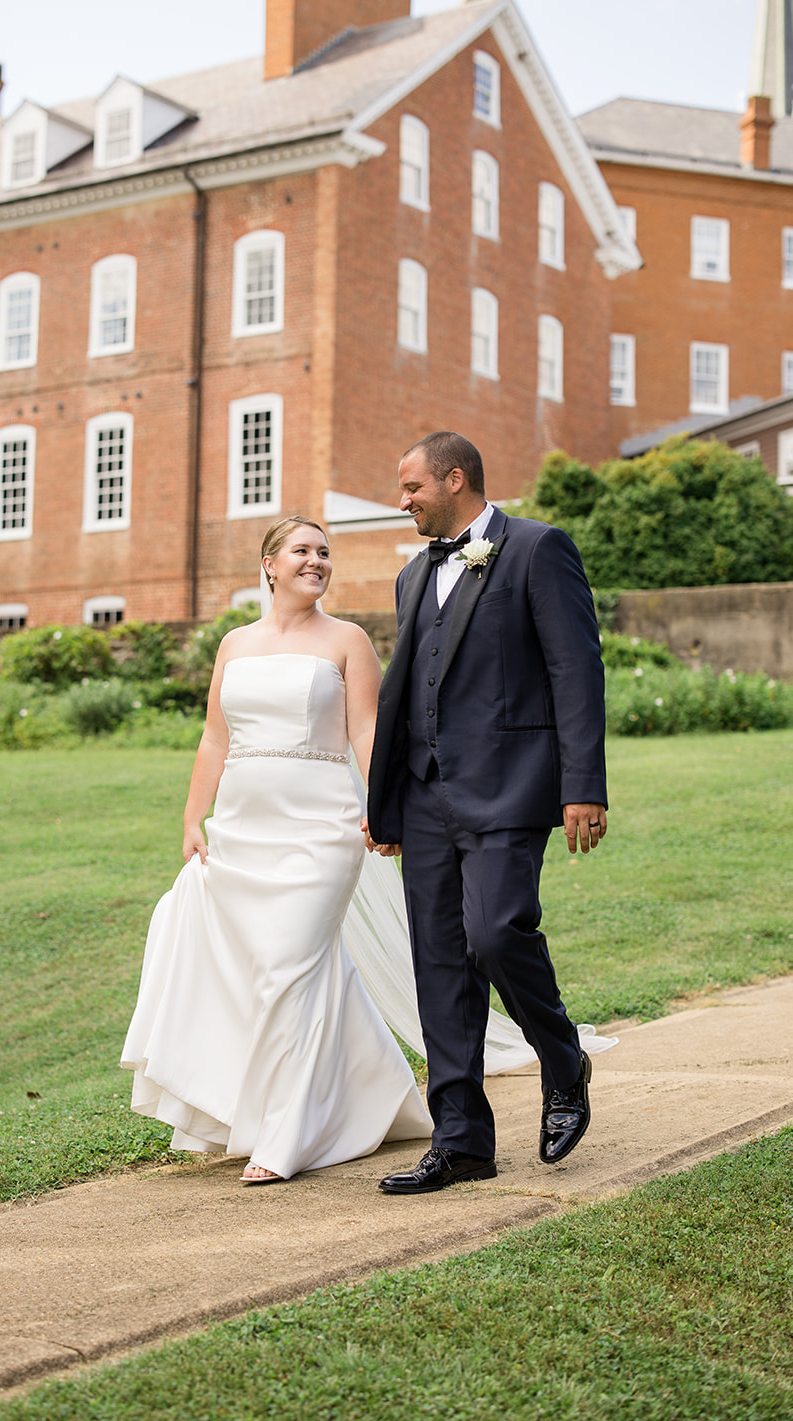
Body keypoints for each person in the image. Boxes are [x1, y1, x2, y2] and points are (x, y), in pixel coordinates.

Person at [121, 516, 433, 1184]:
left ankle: (283, 1135)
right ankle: (376, 1094)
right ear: (269, 564)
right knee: (273, 969)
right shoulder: (234, 644)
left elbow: (366, 728)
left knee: (291, 964)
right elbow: (214, 738)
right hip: (241, 829)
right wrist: (192, 817)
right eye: (301, 551)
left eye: (324, 553)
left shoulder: (347, 640)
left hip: (322, 828)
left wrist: (383, 807)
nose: (315, 561)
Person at [367, 432, 608, 1196]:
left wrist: (583, 785)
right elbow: (406, 692)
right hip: (423, 791)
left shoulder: (537, 549)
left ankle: (561, 1060)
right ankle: (462, 1140)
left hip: (510, 784)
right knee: (438, 965)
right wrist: (386, 802)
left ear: (454, 479)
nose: (401, 501)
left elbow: (575, 669)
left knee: (496, 932)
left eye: (411, 488)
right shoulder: (411, 577)